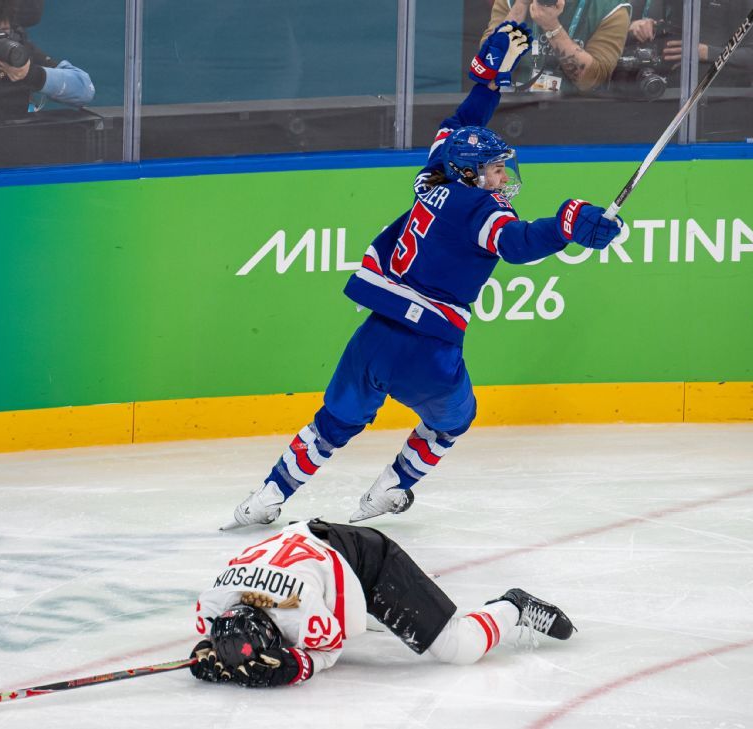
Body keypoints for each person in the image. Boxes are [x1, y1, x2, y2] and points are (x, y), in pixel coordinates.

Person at [223, 22, 624, 529]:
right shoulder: (480, 210)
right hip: (429, 350)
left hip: (375, 334)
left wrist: (488, 84)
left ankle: (265, 498)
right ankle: (391, 487)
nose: (503, 177)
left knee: (333, 423)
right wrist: (566, 224)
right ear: (472, 174)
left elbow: (458, 125)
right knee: (453, 420)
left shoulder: (433, 177)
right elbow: (518, 244)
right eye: (495, 169)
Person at [189, 519, 577, 687]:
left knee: (459, 647)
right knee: (367, 621)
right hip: (316, 551)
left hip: (366, 561)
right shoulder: (212, 603)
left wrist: (297, 666)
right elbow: (215, 636)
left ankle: (514, 605)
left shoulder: (299, 609)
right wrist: (215, 649)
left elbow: (331, 647)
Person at [485, 0, 632, 93]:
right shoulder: (510, 2)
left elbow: (592, 80)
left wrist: (552, 27)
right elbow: (487, 65)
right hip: (512, 110)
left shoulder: (611, 9)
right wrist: (520, 6)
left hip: (575, 117)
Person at [628, 0, 753, 83]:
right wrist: (634, 27)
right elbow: (619, 35)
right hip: (650, 92)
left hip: (707, 101)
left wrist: (704, 52)